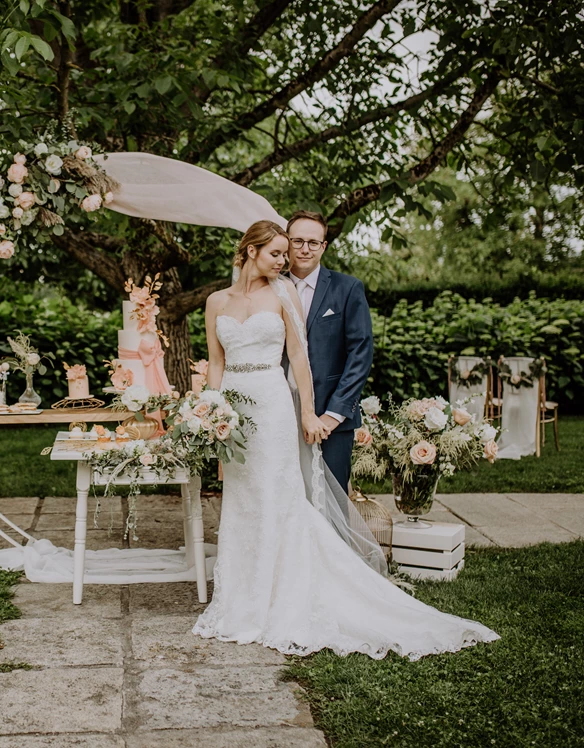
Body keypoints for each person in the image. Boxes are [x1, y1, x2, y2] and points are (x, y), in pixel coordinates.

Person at [194, 219, 498, 659]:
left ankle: (284, 593)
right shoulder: (215, 301)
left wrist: (307, 413)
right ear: (251, 250)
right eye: (278, 252)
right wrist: (210, 411)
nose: (286, 260)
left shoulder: (281, 296)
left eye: (290, 251)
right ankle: (241, 595)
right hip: (234, 412)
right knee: (242, 497)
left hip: (274, 406)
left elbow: (298, 359)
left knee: (279, 495)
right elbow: (216, 362)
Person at [285, 210, 372, 495]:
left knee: (332, 502)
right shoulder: (270, 288)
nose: (305, 249)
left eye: (313, 242)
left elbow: (360, 354)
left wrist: (334, 414)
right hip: (280, 412)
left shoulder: (347, 289)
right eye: (297, 241)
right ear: (286, 242)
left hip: (331, 417)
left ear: (324, 246)